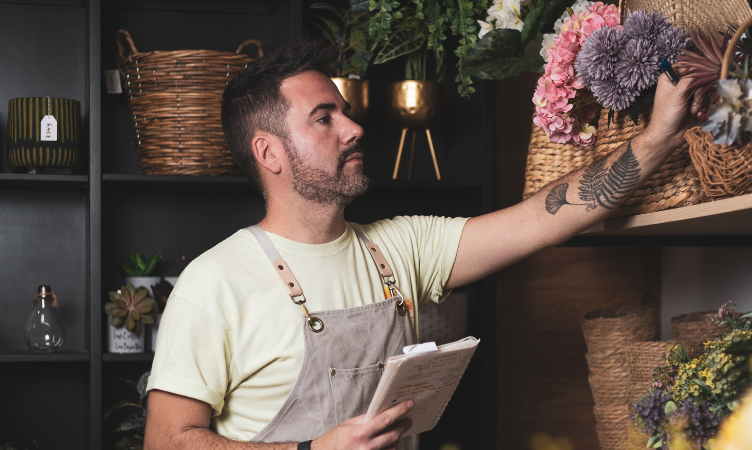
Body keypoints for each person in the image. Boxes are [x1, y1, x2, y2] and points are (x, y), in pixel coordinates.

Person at [143, 39, 703, 449]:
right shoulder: (214, 283)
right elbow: (167, 443)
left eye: (345, 110)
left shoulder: (401, 246)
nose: (353, 127)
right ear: (270, 154)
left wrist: (659, 136)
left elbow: (544, 218)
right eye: (324, 117)